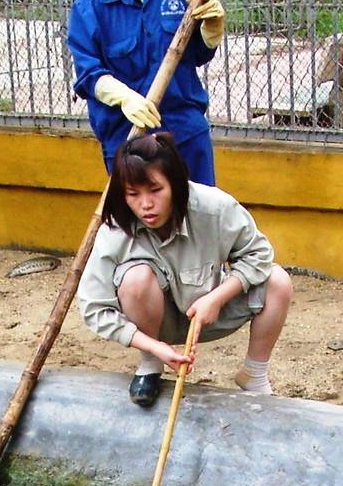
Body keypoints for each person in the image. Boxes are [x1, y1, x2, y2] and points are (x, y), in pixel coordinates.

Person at [77, 131, 292, 408]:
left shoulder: (215, 207)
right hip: (153, 324)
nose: (145, 204)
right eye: (133, 194)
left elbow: (259, 254)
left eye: (155, 190)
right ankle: (150, 367)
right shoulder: (116, 228)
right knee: (135, 279)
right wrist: (154, 348)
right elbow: (94, 307)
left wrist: (217, 298)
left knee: (278, 281)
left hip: (210, 314)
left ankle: (254, 373)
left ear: (176, 185)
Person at [66, 0, 226, 185]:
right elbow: (88, 74)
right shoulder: (90, 6)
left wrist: (212, 31)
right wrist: (125, 98)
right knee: (142, 223)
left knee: (202, 217)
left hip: (185, 133)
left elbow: (197, 55)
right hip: (129, 141)